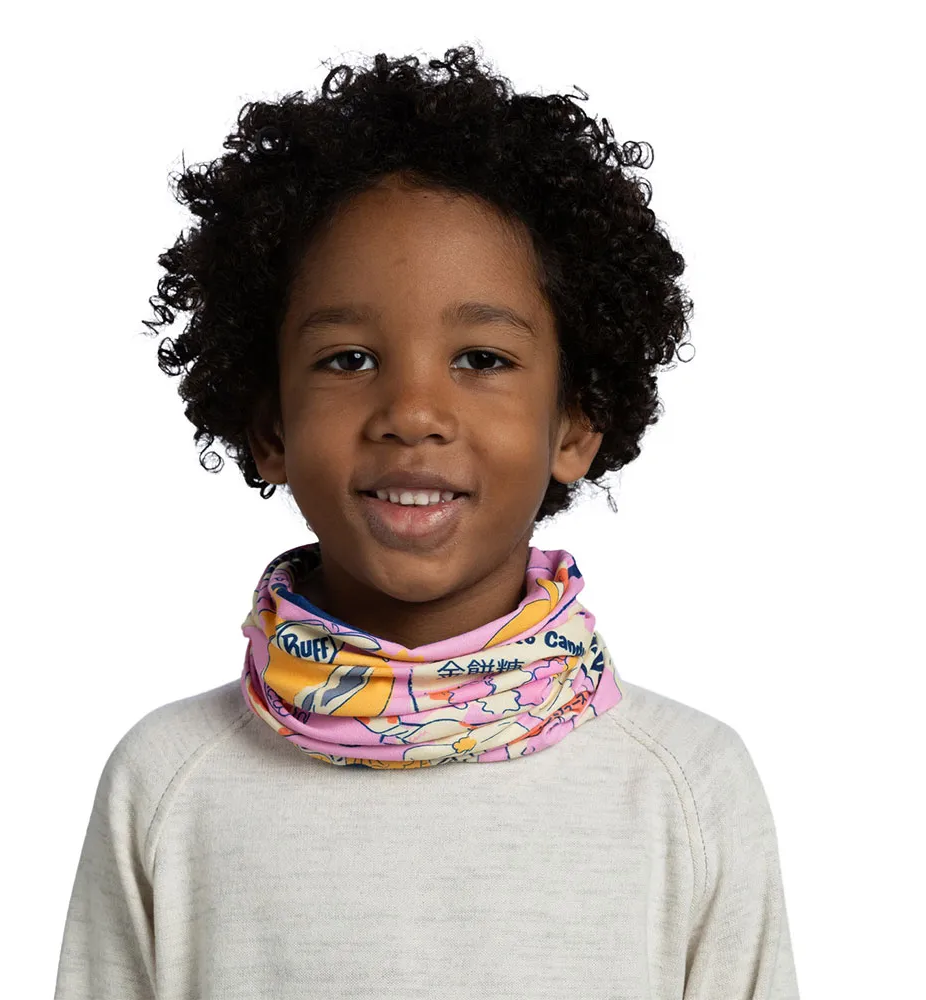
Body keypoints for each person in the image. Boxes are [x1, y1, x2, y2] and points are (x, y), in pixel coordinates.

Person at [54, 44, 799, 1000]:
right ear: (269, 428)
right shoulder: (167, 783)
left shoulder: (687, 787)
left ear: (576, 425)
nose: (412, 412)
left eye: (482, 359)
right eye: (349, 359)